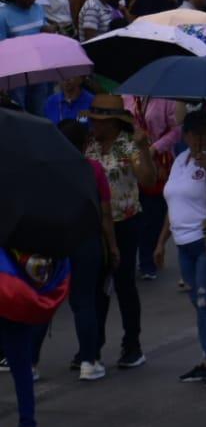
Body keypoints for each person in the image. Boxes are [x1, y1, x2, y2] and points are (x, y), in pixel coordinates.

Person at [156, 110, 206, 388]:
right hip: (183, 243)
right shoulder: (180, 161)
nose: (202, 138)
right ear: (186, 135)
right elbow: (173, 205)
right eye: (197, 133)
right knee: (197, 303)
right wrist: (160, 243)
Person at [85, 93, 155, 369]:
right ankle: (93, 344)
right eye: (93, 119)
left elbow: (148, 180)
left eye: (99, 121)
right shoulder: (89, 146)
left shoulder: (128, 146)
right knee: (95, 287)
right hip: (95, 225)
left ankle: (132, 345)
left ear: (113, 123)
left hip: (125, 221)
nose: (94, 125)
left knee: (124, 284)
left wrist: (144, 150)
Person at [57, 119, 115, 381]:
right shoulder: (93, 169)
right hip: (86, 241)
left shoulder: (48, 169)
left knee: (45, 302)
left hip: (56, 241)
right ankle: (89, 361)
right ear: (85, 143)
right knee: (85, 302)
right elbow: (105, 214)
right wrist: (112, 247)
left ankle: (31, 363)